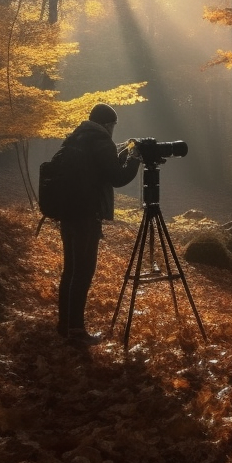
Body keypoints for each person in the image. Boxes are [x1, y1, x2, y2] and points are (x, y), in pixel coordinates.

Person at [56, 103, 140, 345]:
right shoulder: (101, 141)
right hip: (86, 214)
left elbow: (100, 167)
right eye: (113, 125)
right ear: (106, 124)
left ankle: (65, 325)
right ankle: (76, 331)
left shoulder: (76, 138)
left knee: (70, 270)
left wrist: (123, 152)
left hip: (67, 212)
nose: (113, 130)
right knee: (83, 271)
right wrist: (134, 159)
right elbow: (117, 177)